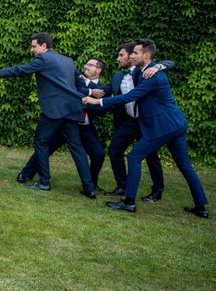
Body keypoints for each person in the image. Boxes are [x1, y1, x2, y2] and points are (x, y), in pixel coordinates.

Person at [83, 39, 209, 218]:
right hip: (176, 124)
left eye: (135, 53)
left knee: (134, 156)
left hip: (163, 126)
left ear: (147, 55)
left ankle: (129, 203)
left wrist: (98, 101)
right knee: (185, 166)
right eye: (131, 53)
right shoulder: (145, 72)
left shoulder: (152, 75)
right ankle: (201, 206)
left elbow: (131, 96)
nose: (131, 56)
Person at [0, 32, 96, 198]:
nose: (32, 50)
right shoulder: (67, 60)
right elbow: (79, 83)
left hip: (54, 110)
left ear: (44, 46)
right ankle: (89, 189)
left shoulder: (43, 60)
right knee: (77, 148)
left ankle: (44, 182)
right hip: (72, 109)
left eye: (34, 46)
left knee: (40, 141)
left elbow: (18, 70)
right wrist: (89, 92)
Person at [16, 58, 109, 191]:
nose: (86, 66)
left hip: (85, 128)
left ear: (98, 70)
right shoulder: (73, 81)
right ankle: (26, 173)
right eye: (86, 64)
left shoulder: (102, 89)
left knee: (99, 154)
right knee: (45, 148)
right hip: (65, 123)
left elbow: (102, 110)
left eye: (90, 65)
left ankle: (91, 185)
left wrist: (84, 102)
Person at [104, 42, 173, 201]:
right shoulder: (117, 76)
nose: (118, 59)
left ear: (132, 55)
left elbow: (170, 63)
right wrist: (85, 86)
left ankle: (157, 191)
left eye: (121, 55)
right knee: (114, 150)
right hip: (127, 122)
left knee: (151, 155)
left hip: (145, 122)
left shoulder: (145, 71)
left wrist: (160, 66)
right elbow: (105, 91)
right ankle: (122, 186)